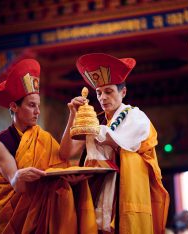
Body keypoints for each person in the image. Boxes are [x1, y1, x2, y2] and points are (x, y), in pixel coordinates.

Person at [60, 53, 170, 233]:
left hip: (124, 195)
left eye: (108, 91)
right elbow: (65, 153)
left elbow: (115, 141)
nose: (102, 98)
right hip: (98, 194)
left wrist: (90, 127)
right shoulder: (97, 122)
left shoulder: (135, 117)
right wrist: (74, 115)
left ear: (123, 92)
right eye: (98, 93)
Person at [0, 59, 96, 233]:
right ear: (14, 106)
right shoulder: (0, 142)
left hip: (44, 214)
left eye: (38, 106)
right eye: (31, 105)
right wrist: (19, 176)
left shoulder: (40, 135)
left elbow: (64, 155)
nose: (37, 111)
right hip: (15, 221)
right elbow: (18, 186)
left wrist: (72, 115)